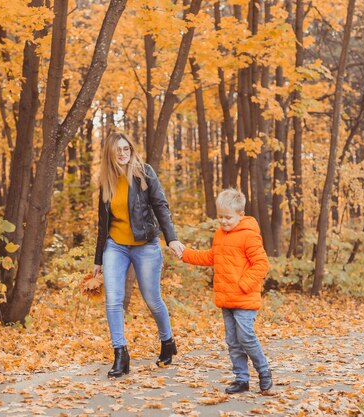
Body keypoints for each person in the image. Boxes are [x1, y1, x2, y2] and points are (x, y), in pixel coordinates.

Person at [93, 132, 185, 378]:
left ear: (131, 150)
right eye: (118, 150)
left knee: (153, 300)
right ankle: (120, 355)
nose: (123, 154)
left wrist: (171, 238)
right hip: (116, 246)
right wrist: (98, 260)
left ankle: (167, 341)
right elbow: (103, 223)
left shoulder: (144, 172)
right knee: (113, 300)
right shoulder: (106, 181)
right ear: (110, 154)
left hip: (145, 244)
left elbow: (160, 205)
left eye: (126, 149)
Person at [180, 189, 273, 394]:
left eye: (228, 217)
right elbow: (210, 257)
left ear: (241, 214)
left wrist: (244, 285)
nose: (223, 221)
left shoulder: (249, 235)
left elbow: (261, 263)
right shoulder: (220, 235)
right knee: (233, 341)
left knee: (246, 336)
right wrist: (186, 254)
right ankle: (241, 379)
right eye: (220, 217)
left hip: (244, 298)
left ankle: (264, 371)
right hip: (226, 299)